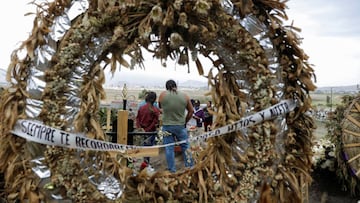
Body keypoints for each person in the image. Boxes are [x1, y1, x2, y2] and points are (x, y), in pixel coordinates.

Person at [158, 79, 194, 173]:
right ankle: (190, 167)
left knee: (169, 148)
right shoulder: (185, 96)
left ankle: (172, 170)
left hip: (167, 126)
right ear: (176, 86)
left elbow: (160, 108)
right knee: (185, 146)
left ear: (166, 87)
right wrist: (185, 121)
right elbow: (191, 111)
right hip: (180, 126)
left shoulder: (162, 95)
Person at [136, 91, 161, 167]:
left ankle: (145, 162)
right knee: (149, 147)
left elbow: (137, 118)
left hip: (142, 131)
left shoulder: (141, 108)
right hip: (150, 131)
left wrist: (140, 128)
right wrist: (148, 129)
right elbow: (155, 122)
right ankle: (146, 163)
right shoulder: (155, 110)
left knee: (145, 146)